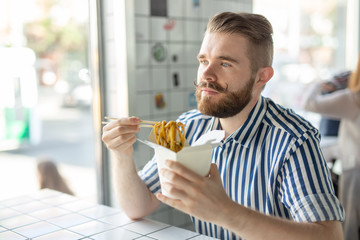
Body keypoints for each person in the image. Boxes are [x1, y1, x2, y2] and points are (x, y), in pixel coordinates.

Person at [102, 12, 344, 240]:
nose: (206, 74)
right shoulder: (188, 127)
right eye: (204, 60)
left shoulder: (293, 139)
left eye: (225, 64)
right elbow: (139, 206)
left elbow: (330, 235)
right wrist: (121, 154)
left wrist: (224, 212)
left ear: (262, 77)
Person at [302, 54, 360, 240]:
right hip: (352, 159)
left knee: (350, 218)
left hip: (355, 164)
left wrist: (319, 84)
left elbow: (309, 103)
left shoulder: (353, 99)